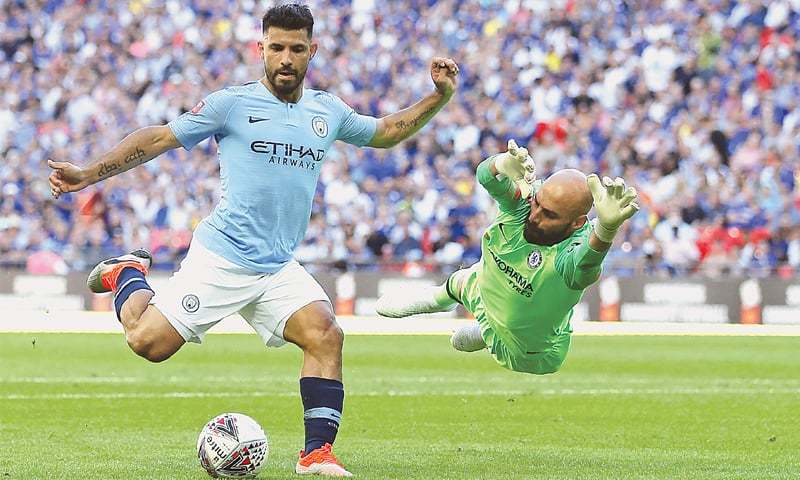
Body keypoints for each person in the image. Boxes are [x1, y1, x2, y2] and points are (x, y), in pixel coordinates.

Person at [47, 4, 459, 477]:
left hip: (278, 266)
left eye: (297, 49)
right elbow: (159, 138)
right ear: (261, 48)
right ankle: (127, 273)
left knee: (326, 334)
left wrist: (438, 98)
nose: (286, 58)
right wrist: (88, 174)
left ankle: (316, 454)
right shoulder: (231, 104)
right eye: (277, 47)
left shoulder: (327, 110)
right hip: (222, 258)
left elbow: (384, 133)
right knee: (147, 343)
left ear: (313, 51)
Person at [377, 140, 638, 375]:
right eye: (538, 203)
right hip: (485, 287)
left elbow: (587, 264)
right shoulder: (526, 202)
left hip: (531, 351)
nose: (535, 215)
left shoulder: (571, 254)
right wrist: (501, 163)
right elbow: (486, 178)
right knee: (466, 279)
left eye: (549, 215)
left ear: (576, 223)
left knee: (497, 294)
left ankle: (487, 332)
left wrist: (606, 229)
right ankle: (439, 299)